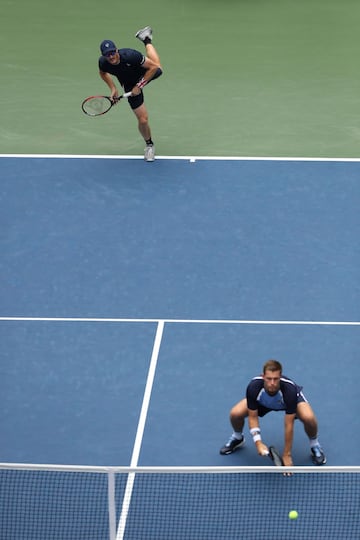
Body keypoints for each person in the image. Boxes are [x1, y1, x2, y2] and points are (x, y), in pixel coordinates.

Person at [220, 359, 326, 465]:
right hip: (263, 402)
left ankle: (315, 445)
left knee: (308, 417)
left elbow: (289, 424)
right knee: (235, 413)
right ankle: (238, 437)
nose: (272, 383)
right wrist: (258, 442)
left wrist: (286, 454)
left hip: (286, 402)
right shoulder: (253, 387)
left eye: (276, 379)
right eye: (269, 379)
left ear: (280, 377)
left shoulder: (289, 390)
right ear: (263, 377)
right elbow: (253, 417)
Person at [98, 26, 162, 162]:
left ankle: (146, 40)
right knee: (143, 119)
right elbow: (102, 73)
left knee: (158, 66)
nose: (111, 57)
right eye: (107, 54)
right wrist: (113, 89)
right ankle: (149, 145)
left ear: (116, 50)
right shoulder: (103, 63)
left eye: (112, 53)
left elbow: (153, 68)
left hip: (144, 73)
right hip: (128, 84)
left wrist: (140, 85)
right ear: (104, 55)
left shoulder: (131, 55)